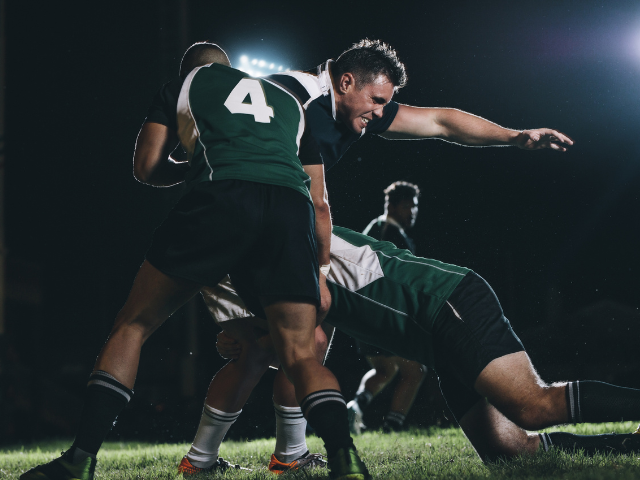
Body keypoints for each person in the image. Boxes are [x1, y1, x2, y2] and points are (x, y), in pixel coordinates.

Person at [182, 38, 574, 474]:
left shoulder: (340, 102)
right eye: (375, 100)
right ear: (345, 81)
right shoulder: (301, 101)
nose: (380, 111)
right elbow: (317, 204)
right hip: (244, 228)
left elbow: (441, 121)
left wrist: (515, 137)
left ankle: (281, 454)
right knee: (260, 348)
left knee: (307, 340)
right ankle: (203, 459)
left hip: (269, 230)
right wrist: (320, 272)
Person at [20, 43, 370, 480]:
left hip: (222, 196)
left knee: (133, 325)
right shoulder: (289, 100)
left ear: (189, 71)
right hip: (288, 207)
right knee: (301, 352)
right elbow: (319, 203)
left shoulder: (184, 86)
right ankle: (345, 460)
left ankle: (80, 460)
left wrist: (194, 167)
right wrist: (318, 270)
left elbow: (146, 167)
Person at [216, 225, 640, 464]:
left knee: (533, 405)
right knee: (510, 452)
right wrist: (248, 338)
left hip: (446, 302)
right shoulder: (256, 265)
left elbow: (310, 325)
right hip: (433, 340)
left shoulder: (289, 237)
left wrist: (257, 339)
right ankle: (628, 444)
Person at [348, 181, 427, 434]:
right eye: (406, 206)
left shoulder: (374, 229)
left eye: (414, 207)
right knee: (415, 371)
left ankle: (355, 407)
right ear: (390, 206)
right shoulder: (388, 234)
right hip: (384, 316)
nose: (412, 212)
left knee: (384, 369)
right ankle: (393, 427)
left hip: (365, 316)